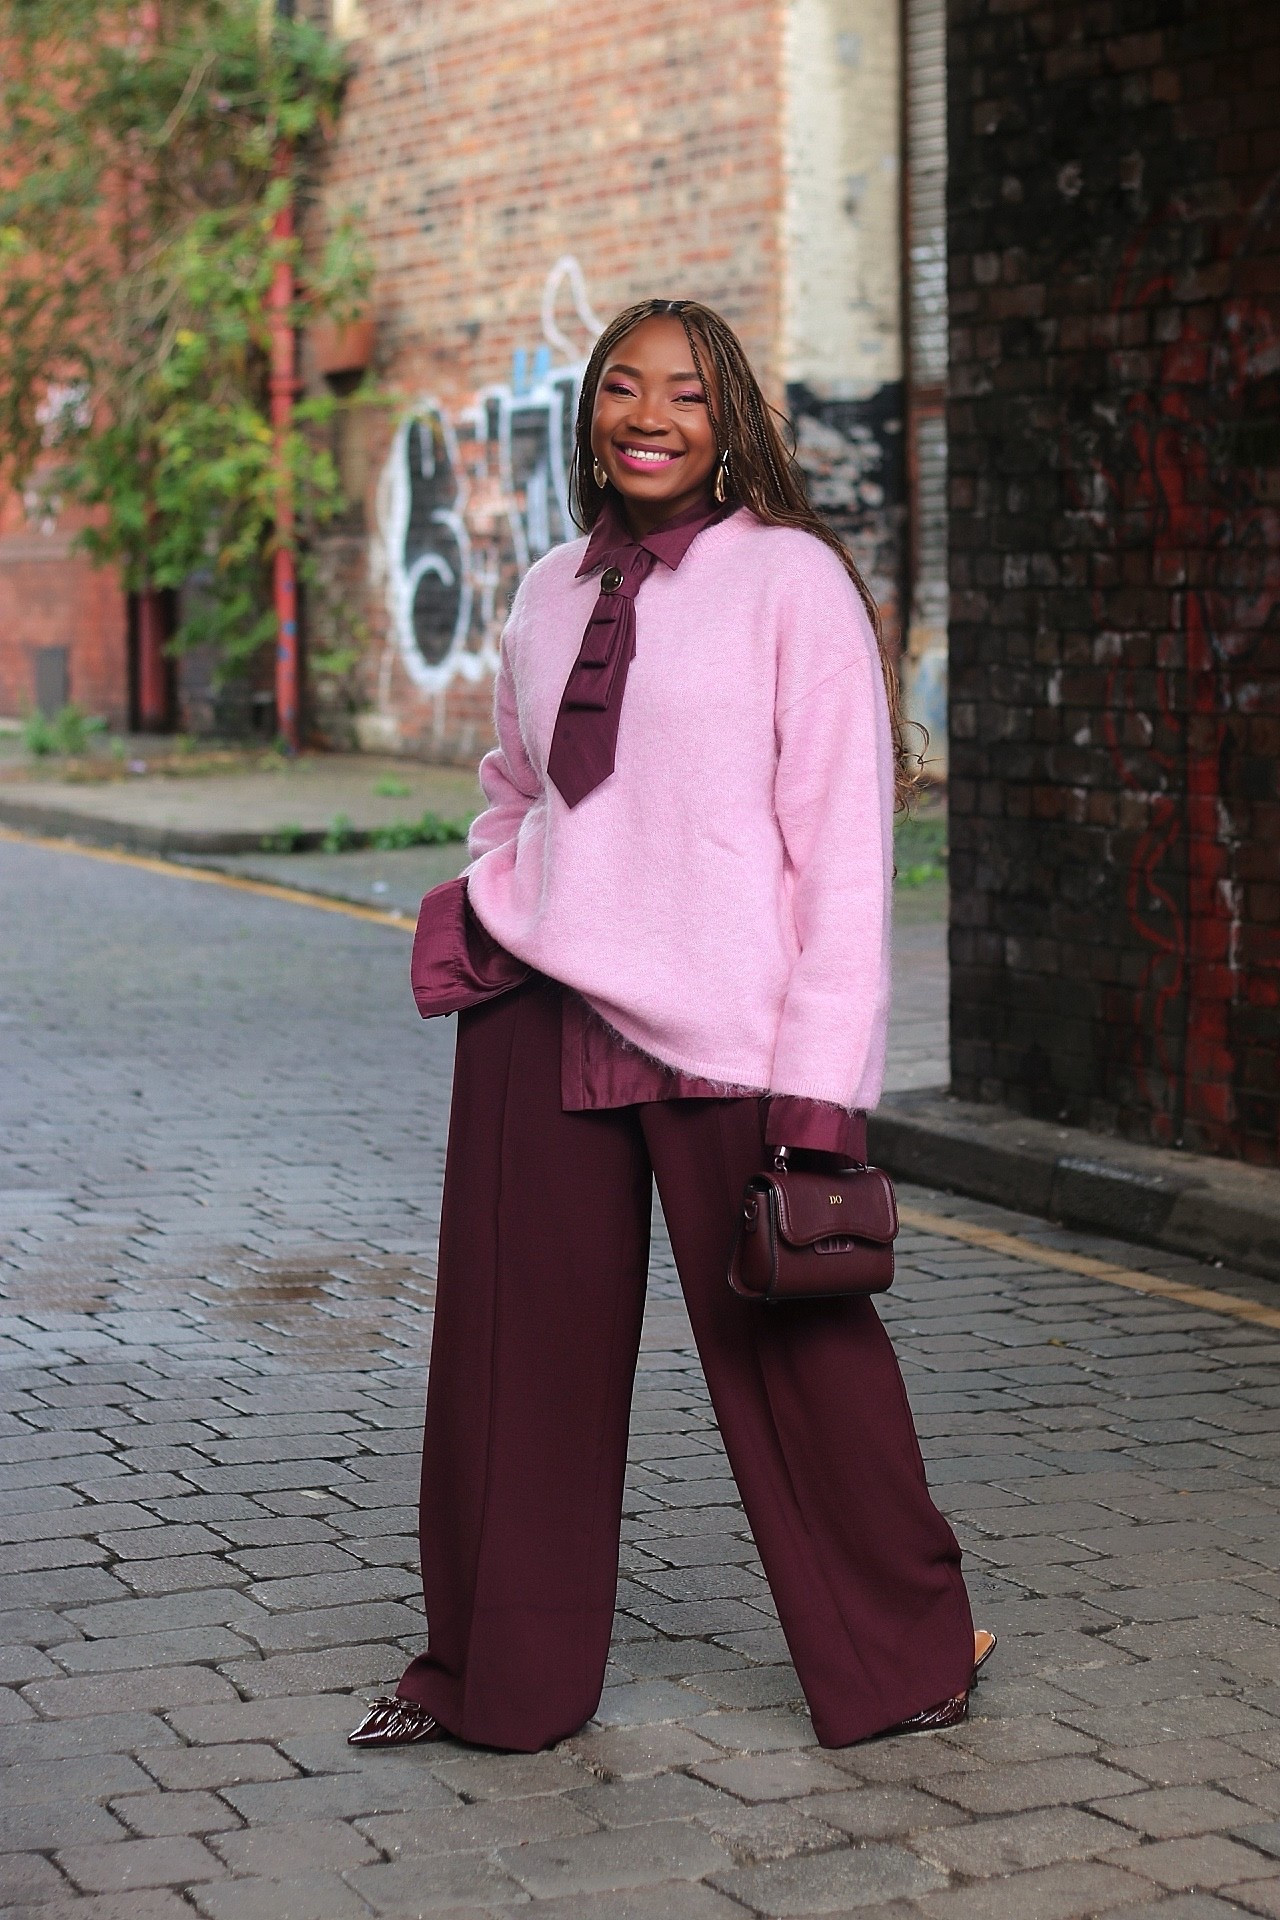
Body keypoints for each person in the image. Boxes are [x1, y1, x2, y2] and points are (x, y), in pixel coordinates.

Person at [349, 298, 993, 1754]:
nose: (650, 415)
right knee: (515, 1363)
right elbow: (517, 779)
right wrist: (501, 889)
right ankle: (497, 1686)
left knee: (798, 1347)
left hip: (728, 1035)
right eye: (623, 388)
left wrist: (824, 1095)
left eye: (687, 393)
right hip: (541, 1011)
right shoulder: (547, 587)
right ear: (591, 414)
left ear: (730, 420)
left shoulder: (794, 585)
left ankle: (909, 1651)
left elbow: (842, 862)